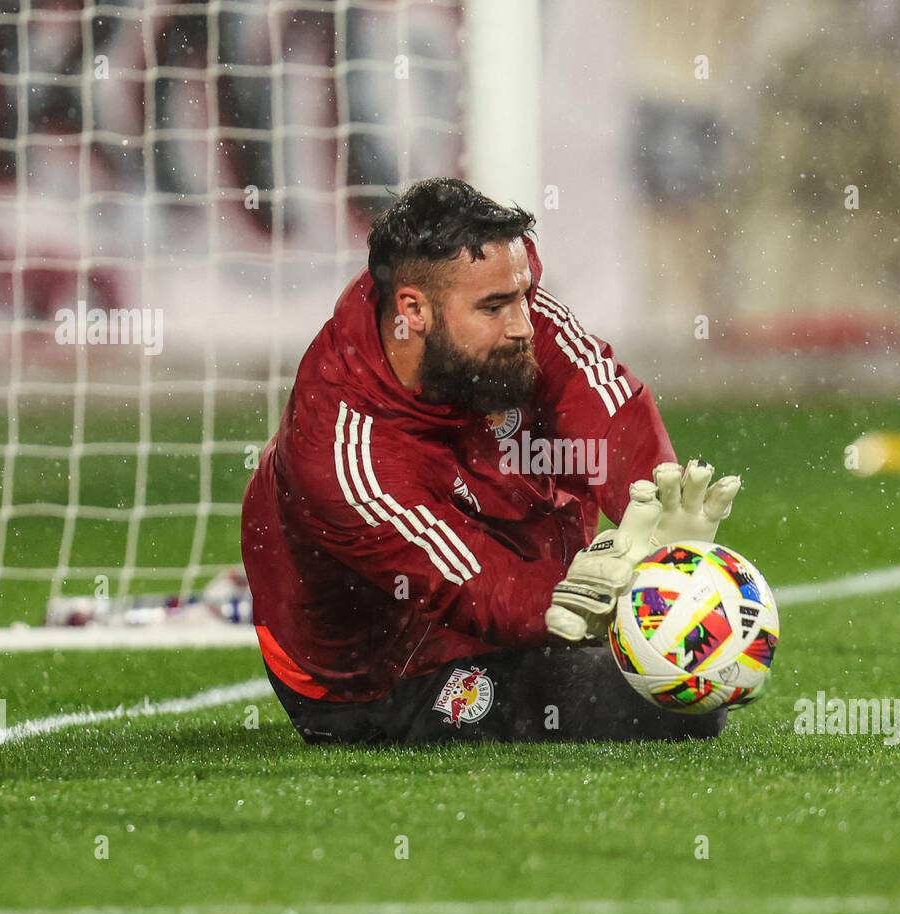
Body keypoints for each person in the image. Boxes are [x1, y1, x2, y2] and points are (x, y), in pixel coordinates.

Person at [240, 178, 742, 744]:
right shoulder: (344, 449)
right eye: (496, 306)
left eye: (525, 294)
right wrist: (587, 601)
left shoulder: (512, 318)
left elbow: (605, 404)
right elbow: (470, 582)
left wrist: (656, 513)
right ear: (414, 310)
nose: (525, 323)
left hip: (523, 605)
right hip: (383, 677)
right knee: (669, 705)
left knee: (679, 686)